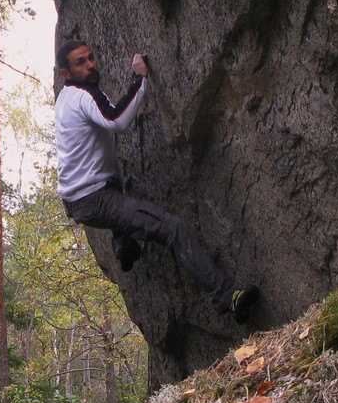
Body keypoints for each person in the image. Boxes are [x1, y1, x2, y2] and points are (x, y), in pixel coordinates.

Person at [54, 39, 259, 322]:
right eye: (81, 62)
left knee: (115, 182)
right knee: (172, 228)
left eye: (91, 58)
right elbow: (117, 121)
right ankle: (226, 297)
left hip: (82, 196)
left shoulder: (66, 98)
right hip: (94, 198)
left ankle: (125, 248)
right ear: (66, 73)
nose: (90, 65)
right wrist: (140, 78)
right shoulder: (82, 95)